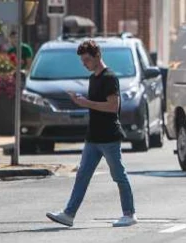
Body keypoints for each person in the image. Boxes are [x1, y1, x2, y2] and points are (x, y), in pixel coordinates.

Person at [46, 40, 137, 227]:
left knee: (118, 175)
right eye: (82, 60)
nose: (84, 63)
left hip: (109, 137)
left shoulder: (109, 77)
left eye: (87, 59)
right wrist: (80, 100)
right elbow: (96, 105)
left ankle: (129, 214)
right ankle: (69, 214)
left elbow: (113, 107)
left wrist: (86, 103)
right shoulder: (93, 78)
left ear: (98, 56)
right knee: (82, 175)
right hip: (93, 137)